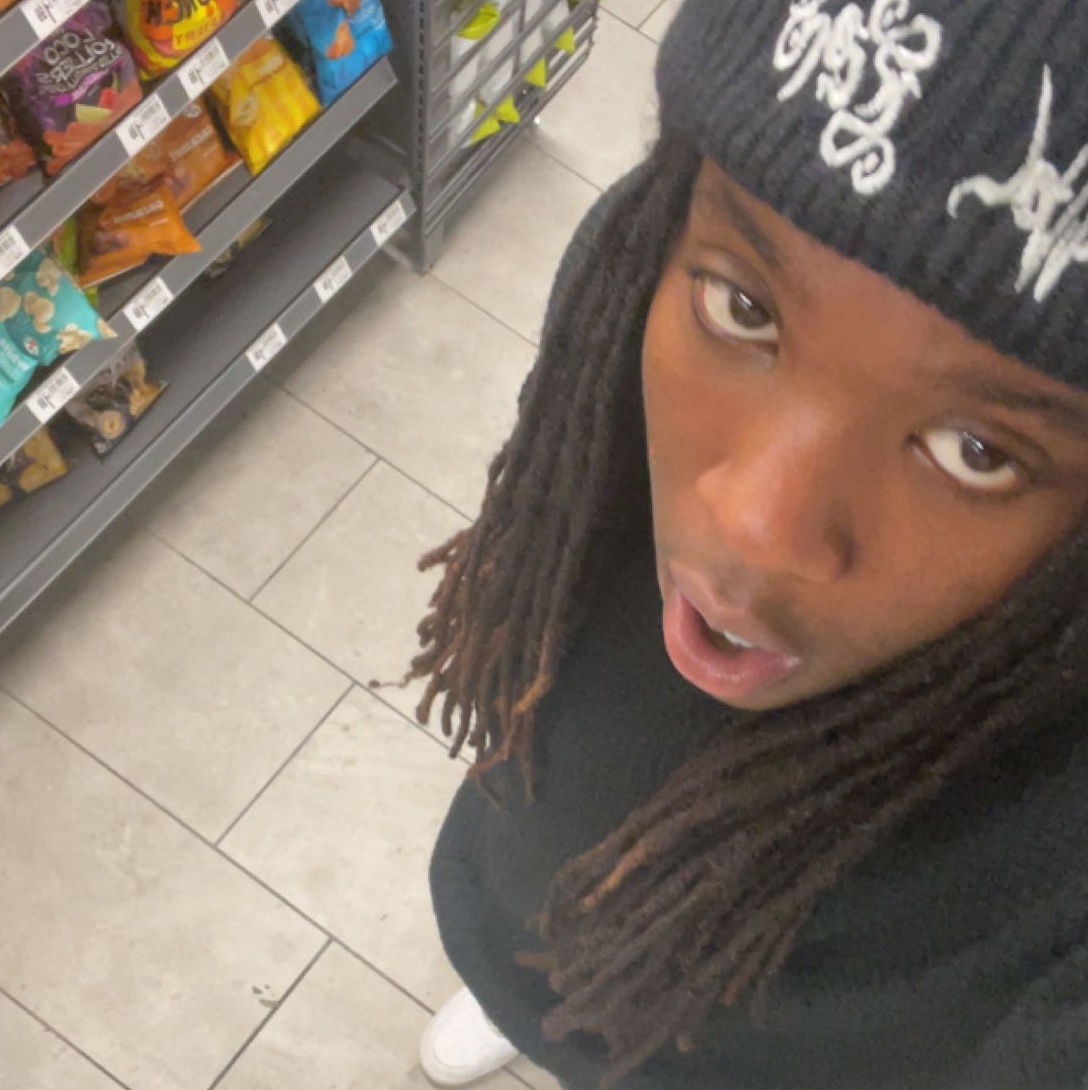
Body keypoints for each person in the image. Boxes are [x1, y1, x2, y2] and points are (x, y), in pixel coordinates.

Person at [377, 0, 1088, 1086]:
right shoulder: (633, 272)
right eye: (744, 307)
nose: (752, 524)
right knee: (533, 914)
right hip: (540, 844)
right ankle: (542, 977)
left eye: (973, 451)